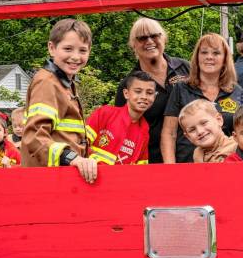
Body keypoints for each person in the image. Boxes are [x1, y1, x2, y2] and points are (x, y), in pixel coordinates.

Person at [21, 18, 97, 183]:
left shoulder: (64, 83)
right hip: (50, 180)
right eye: (68, 49)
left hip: (63, 177)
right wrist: (73, 158)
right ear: (51, 48)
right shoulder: (47, 82)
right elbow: (34, 138)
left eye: (82, 50)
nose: (75, 57)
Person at [161, 32, 243, 163]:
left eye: (216, 53)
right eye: (204, 52)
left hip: (227, 168)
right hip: (188, 168)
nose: (209, 57)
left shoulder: (235, 90)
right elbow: (169, 134)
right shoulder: (181, 88)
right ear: (197, 57)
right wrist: (171, 169)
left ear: (225, 59)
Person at [115, 18, 190, 163]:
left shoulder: (185, 68)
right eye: (142, 38)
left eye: (154, 35)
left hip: (193, 156)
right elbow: (121, 130)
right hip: (152, 161)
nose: (149, 41)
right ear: (133, 45)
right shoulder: (128, 85)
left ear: (164, 38)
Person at [86, 71, 156, 165]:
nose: (144, 97)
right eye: (138, 91)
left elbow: (141, 168)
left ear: (154, 97)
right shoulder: (105, 113)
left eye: (149, 93)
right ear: (126, 93)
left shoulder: (144, 129)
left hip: (121, 179)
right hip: (92, 176)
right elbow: (80, 144)